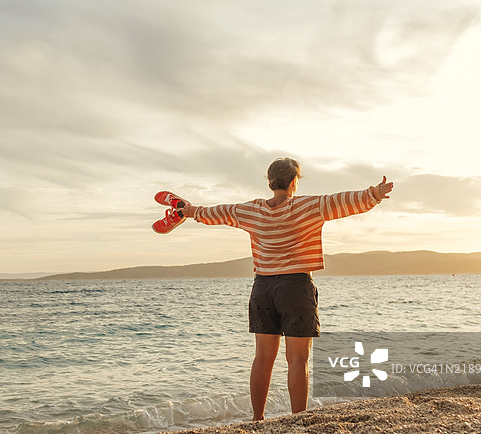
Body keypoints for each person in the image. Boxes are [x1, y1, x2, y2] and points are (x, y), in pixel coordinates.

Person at [164, 158, 393, 419]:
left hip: (262, 288)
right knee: (297, 360)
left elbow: (219, 212)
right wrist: (374, 194)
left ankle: (257, 419)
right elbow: (342, 202)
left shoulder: (251, 210)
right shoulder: (308, 207)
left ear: (269, 181)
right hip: (296, 287)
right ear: (294, 181)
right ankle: (298, 418)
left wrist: (190, 210)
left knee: (262, 358)